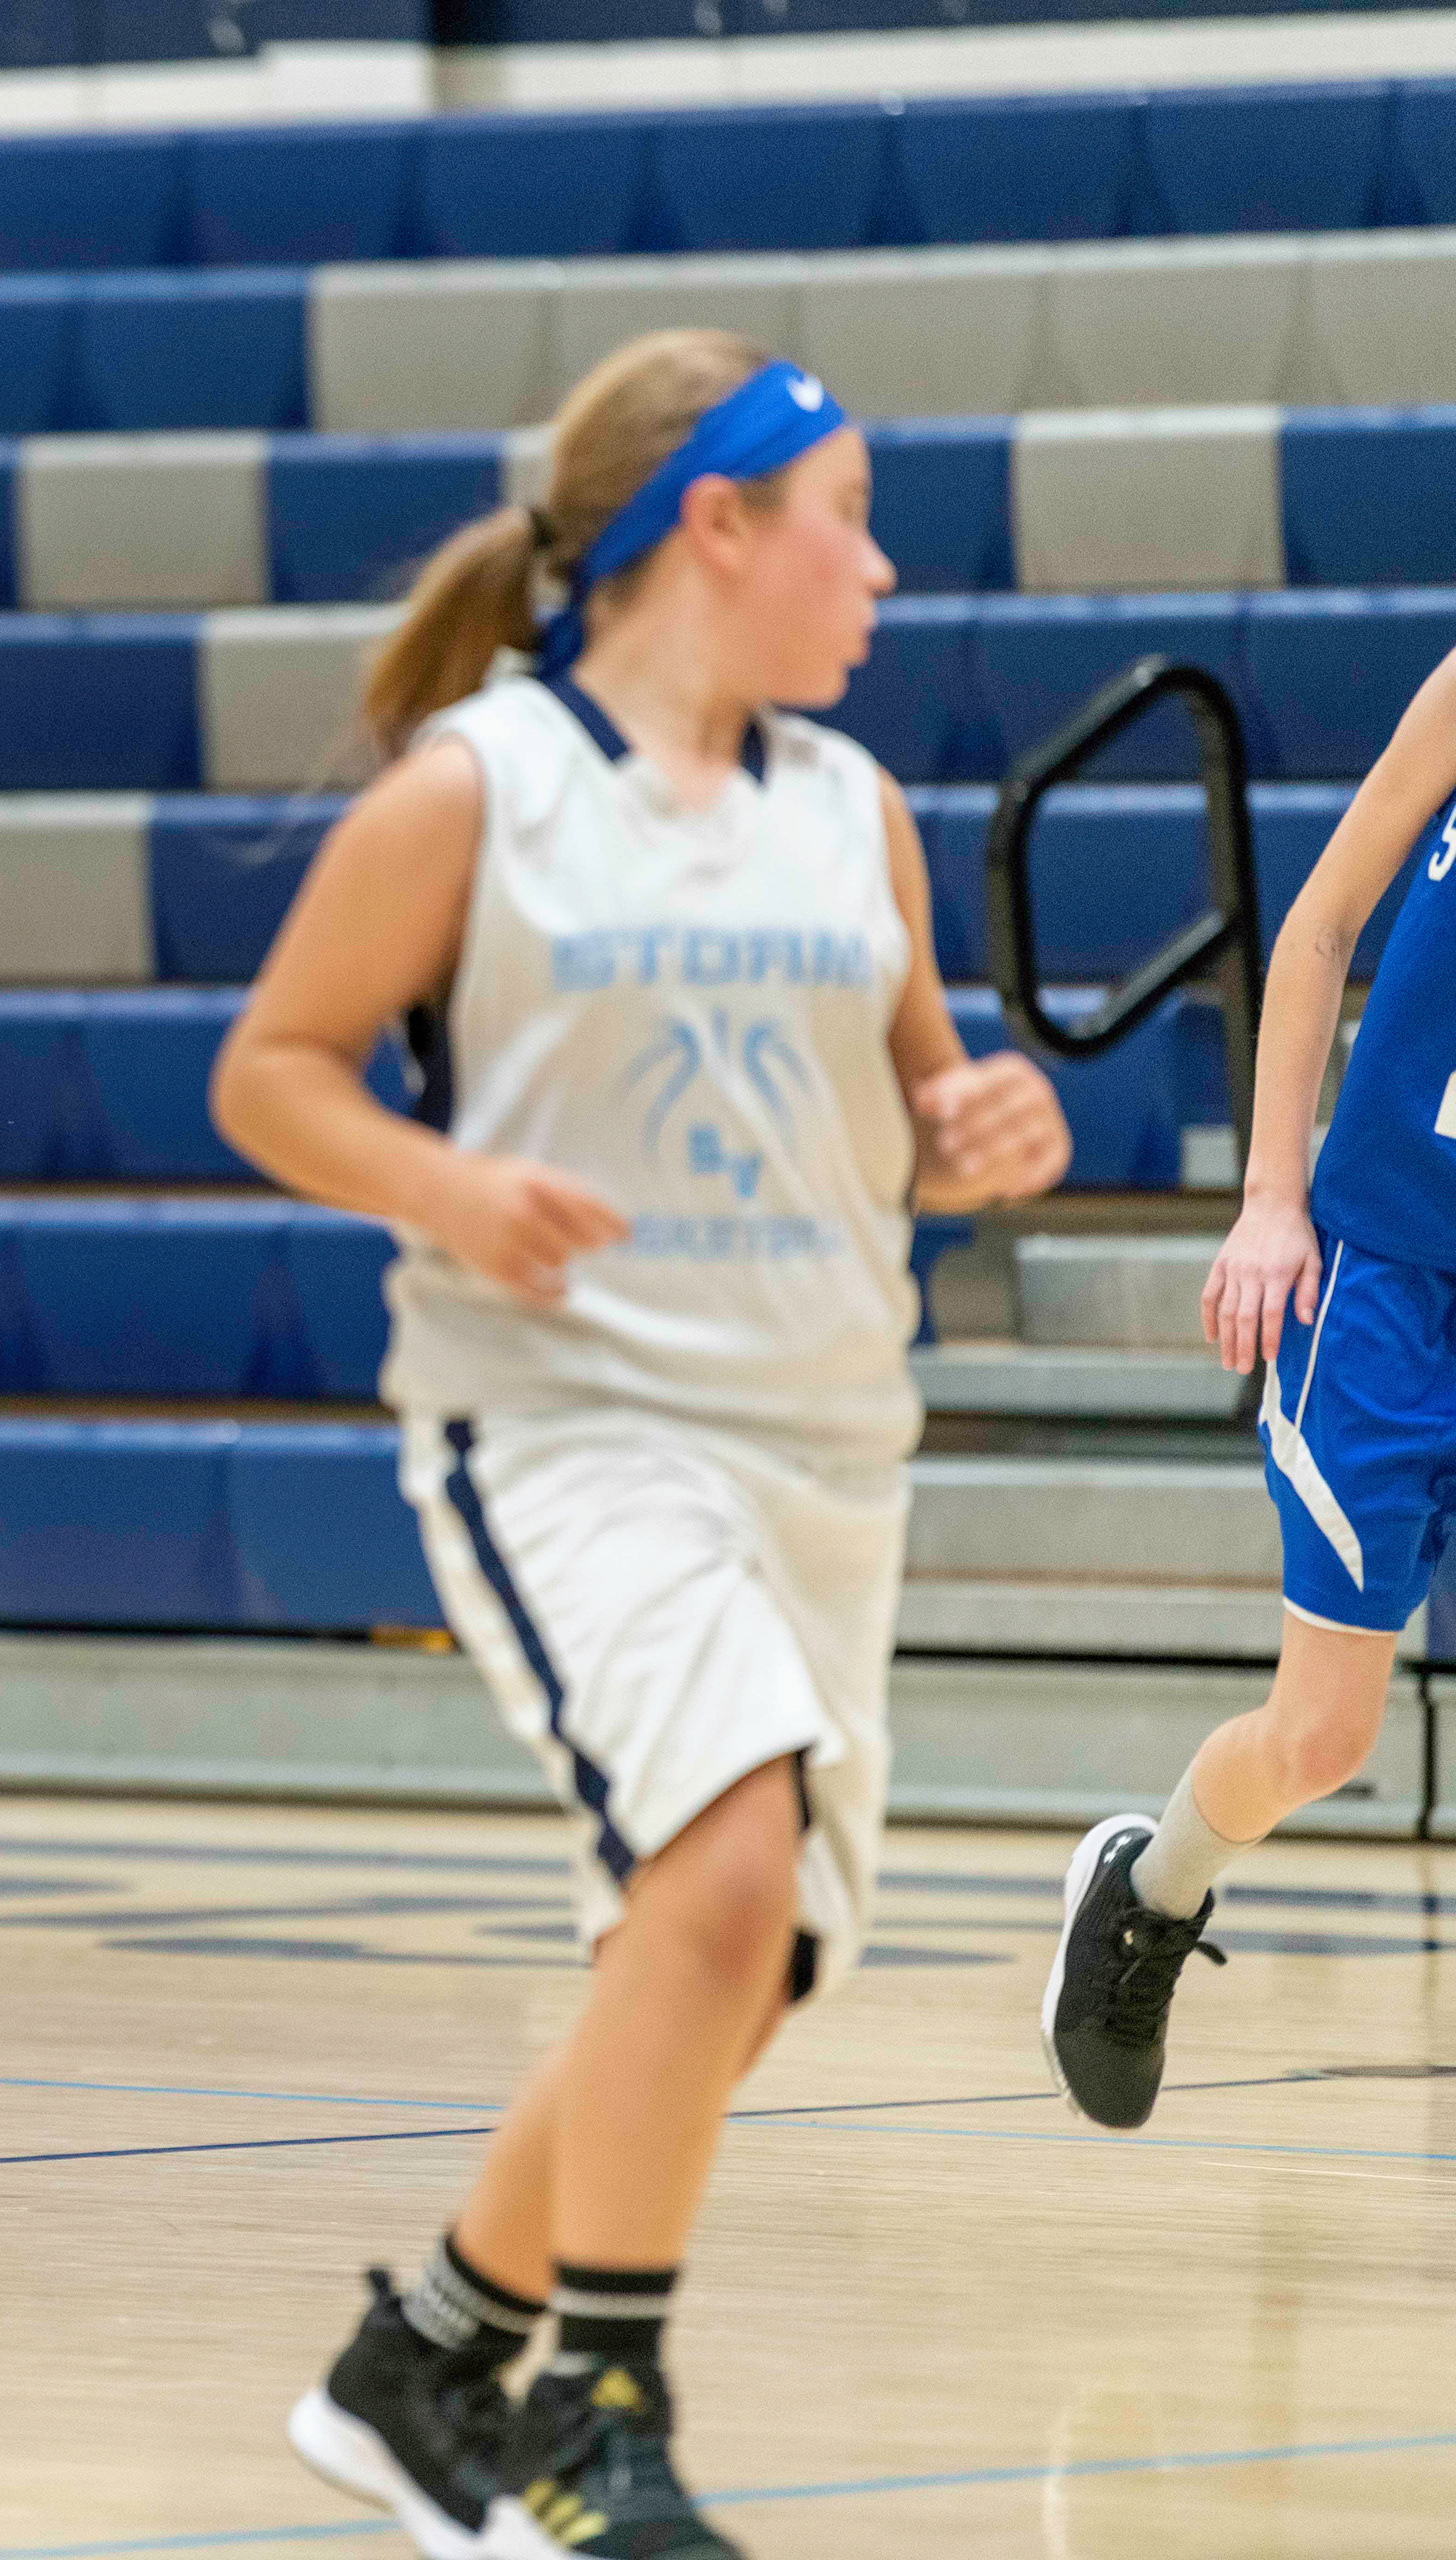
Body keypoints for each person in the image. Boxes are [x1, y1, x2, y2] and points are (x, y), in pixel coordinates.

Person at [214, 330, 1071, 2556]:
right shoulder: (482, 790)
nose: (880, 569)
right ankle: (601, 2420)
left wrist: (980, 1127)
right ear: (717, 522)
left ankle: (420, 2360)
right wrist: (447, 1184)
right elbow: (272, 1068)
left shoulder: (848, 805)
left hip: (825, 1434)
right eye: (848, 519)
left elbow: (916, 1105)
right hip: (573, 1418)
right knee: (719, 1881)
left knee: (730, 1961)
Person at [1036, 627, 1456, 2128]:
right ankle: (1148, 1890)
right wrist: (1272, 1193)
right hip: (1386, 1285)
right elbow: (1324, 923)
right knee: (1324, 1738)